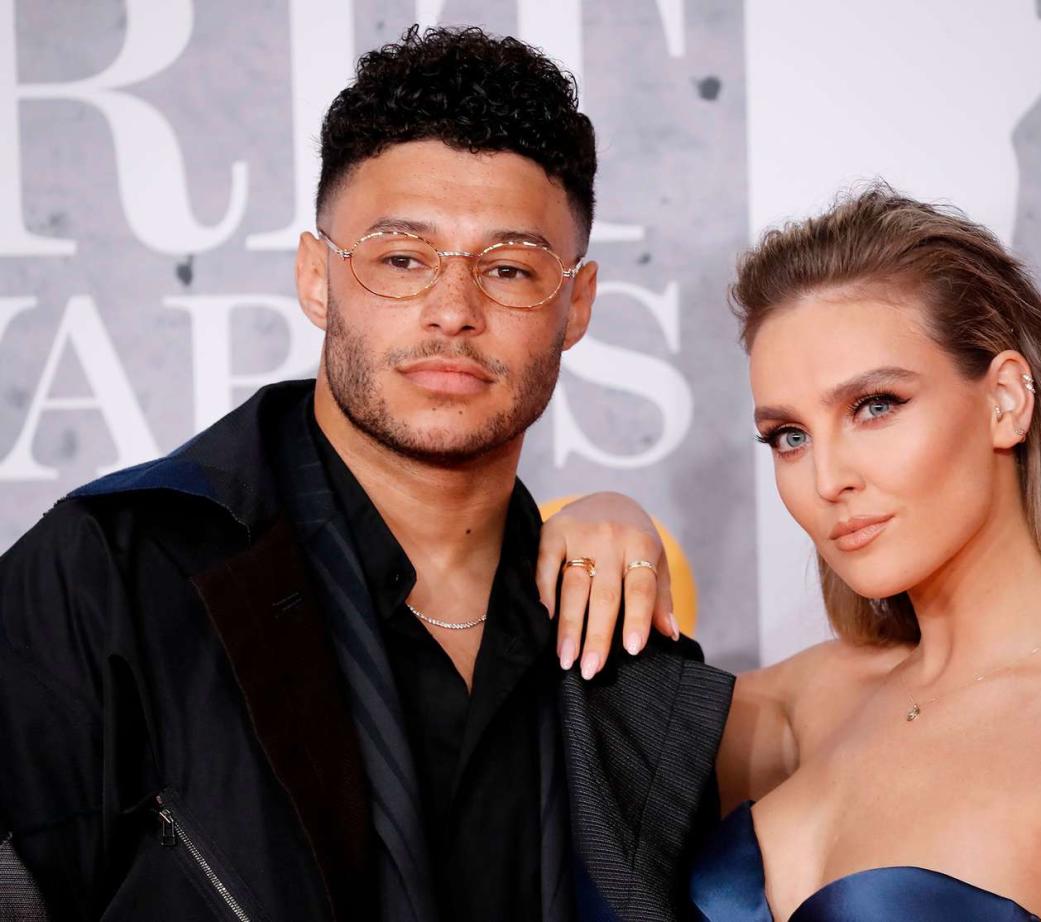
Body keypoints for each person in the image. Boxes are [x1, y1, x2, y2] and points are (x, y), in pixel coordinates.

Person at [0, 26, 732, 922]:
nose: (453, 311)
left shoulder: (614, 646)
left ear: (574, 305)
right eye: (402, 260)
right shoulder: (109, 573)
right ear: (317, 278)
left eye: (508, 269)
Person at [555, 186, 1041, 920]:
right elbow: (570, 748)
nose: (826, 479)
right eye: (788, 435)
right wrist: (601, 516)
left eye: (874, 405)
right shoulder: (816, 699)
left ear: (1005, 399)